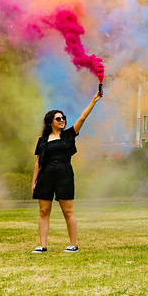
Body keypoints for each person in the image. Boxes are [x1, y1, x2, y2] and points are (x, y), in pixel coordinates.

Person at [31, 89, 103, 253]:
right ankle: (42, 245)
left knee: (67, 211)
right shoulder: (42, 140)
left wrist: (93, 101)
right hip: (46, 176)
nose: (62, 120)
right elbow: (37, 162)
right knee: (44, 211)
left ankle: (73, 244)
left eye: (63, 118)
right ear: (50, 122)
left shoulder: (69, 135)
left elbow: (82, 118)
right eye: (58, 118)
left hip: (64, 175)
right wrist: (33, 181)